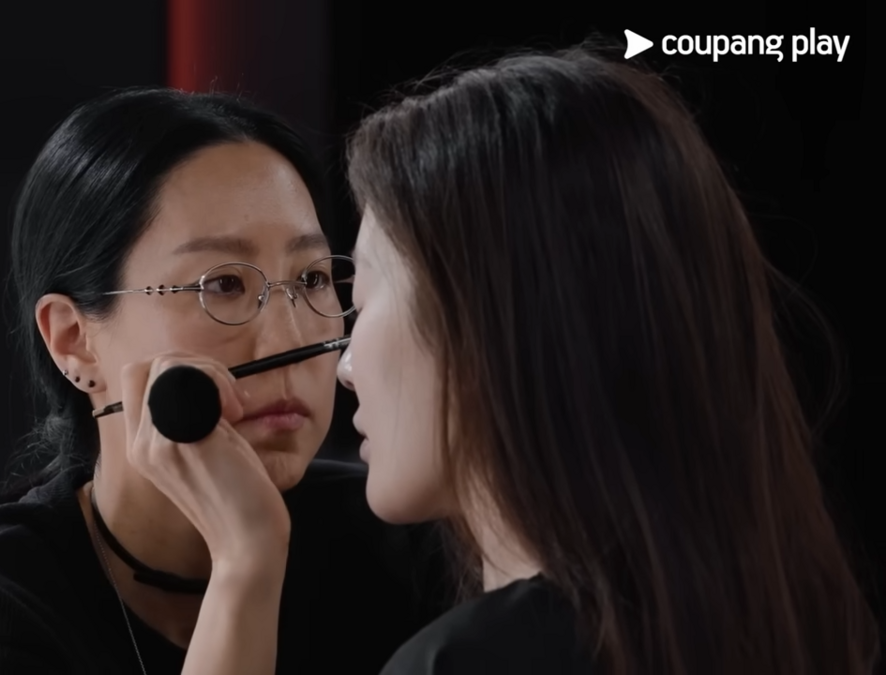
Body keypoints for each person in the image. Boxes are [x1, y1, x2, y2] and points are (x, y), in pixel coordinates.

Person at [0, 87, 455, 675]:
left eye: (312, 279)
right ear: (73, 339)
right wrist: (247, 561)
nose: (290, 341)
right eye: (222, 285)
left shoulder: (415, 548)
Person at [336, 44, 881, 675]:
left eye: (363, 300)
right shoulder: (797, 628)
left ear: (481, 323)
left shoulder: (462, 662)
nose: (346, 368)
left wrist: (242, 574)